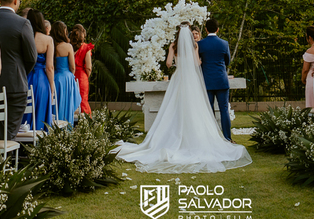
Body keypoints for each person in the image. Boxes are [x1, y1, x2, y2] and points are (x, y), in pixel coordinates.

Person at [115, 23, 251, 172]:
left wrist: (175, 63)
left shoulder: (173, 46)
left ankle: (174, 137)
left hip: (178, 79)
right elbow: (197, 63)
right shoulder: (195, 46)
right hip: (192, 79)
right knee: (195, 108)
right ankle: (208, 137)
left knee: (175, 108)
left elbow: (168, 63)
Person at [0, 0, 37, 141]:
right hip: (15, 86)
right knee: (8, 135)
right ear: (16, 0)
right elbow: (31, 57)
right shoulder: (23, 23)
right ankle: (6, 163)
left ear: (0, 0)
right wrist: (20, 71)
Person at [197, 19, 233, 140]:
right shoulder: (224, 43)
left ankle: (212, 139)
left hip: (207, 82)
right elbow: (227, 61)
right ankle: (227, 138)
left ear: (206, 29)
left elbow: (198, 63)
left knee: (209, 110)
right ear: (218, 29)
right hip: (221, 81)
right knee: (224, 110)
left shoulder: (200, 44)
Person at [23, 10, 54, 132]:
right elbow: (49, 67)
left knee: (26, 111)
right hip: (42, 81)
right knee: (41, 111)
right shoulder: (47, 40)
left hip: (26, 78)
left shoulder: (24, 37)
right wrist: (51, 86)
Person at [50, 21, 81, 128]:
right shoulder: (68, 46)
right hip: (66, 78)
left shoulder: (52, 45)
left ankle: (54, 128)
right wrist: (71, 76)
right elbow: (72, 66)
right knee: (67, 104)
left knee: (56, 104)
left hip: (55, 78)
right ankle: (67, 128)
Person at [70, 24, 94, 115]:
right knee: (83, 100)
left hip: (71, 76)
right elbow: (88, 67)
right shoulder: (86, 47)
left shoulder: (69, 46)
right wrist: (86, 75)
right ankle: (85, 121)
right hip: (82, 77)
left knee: (71, 99)